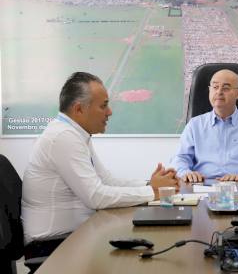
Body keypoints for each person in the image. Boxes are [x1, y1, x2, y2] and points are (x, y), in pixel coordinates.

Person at [22, 72, 179, 245]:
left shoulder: (75, 133)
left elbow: (106, 180)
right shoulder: (62, 136)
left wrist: (149, 184)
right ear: (79, 109)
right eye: (103, 106)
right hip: (52, 244)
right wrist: (153, 192)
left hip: (74, 234)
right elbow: (96, 197)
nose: (109, 112)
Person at [171, 69, 238, 183]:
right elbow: (179, 158)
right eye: (215, 87)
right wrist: (186, 173)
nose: (219, 92)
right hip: (201, 186)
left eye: (226, 88)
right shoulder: (195, 125)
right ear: (210, 90)